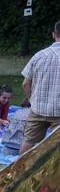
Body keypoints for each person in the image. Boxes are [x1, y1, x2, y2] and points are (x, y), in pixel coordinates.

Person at [19, 21, 60, 154]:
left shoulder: (39, 55)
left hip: (38, 109)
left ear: (54, 35)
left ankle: (20, 171)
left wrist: (32, 100)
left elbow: (25, 83)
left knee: (28, 141)